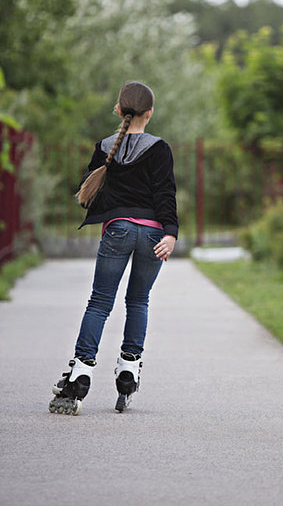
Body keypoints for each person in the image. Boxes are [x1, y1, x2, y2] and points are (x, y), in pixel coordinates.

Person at [48, 81, 179, 415]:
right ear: (150, 113)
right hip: (153, 235)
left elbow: (90, 190)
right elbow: (165, 192)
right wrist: (171, 233)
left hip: (118, 230)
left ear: (119, 110)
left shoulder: (106, 146)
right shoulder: (160, 148)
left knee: (99, 303)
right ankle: (128, 371)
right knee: (138, 301)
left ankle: (79, 375)